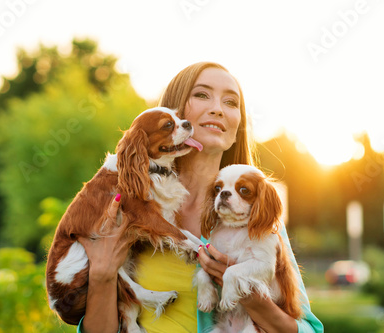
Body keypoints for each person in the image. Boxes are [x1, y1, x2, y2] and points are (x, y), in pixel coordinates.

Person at [75, 62, 323, 333]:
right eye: (202, 95)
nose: (218, 108)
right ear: (173, 111)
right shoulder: (130, 205)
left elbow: (309, 329)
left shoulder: (256, 213)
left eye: (231, 102)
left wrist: (251, 298)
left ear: (238, 123)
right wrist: (101, 277)